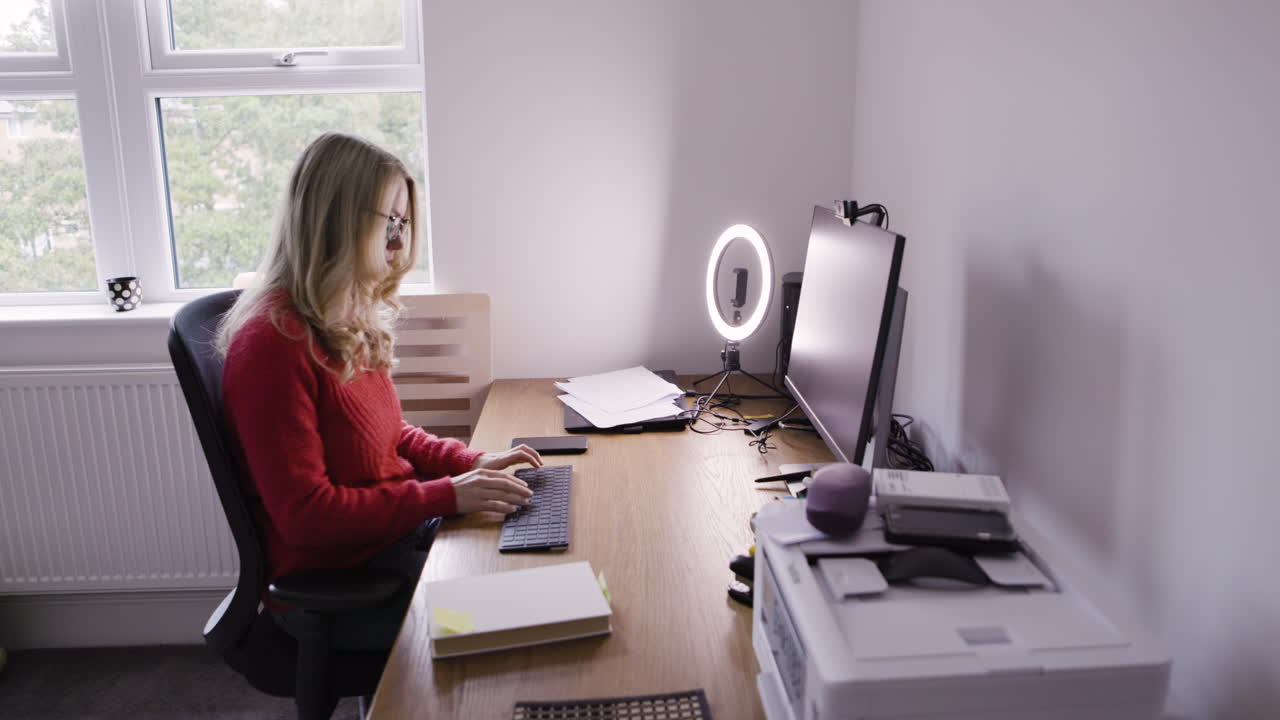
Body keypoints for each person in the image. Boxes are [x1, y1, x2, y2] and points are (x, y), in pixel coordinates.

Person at [216, 132, 539, 650]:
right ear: (335, 222)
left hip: (393, 541)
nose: (397, 242)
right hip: (347, 580)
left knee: (550, 572)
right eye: (386, 223)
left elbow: (391, 436)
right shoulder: (274, 343)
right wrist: (448, 495)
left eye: (403, 223)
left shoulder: (343, 314)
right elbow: (308, 517)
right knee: (532, 616)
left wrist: (469, 461)